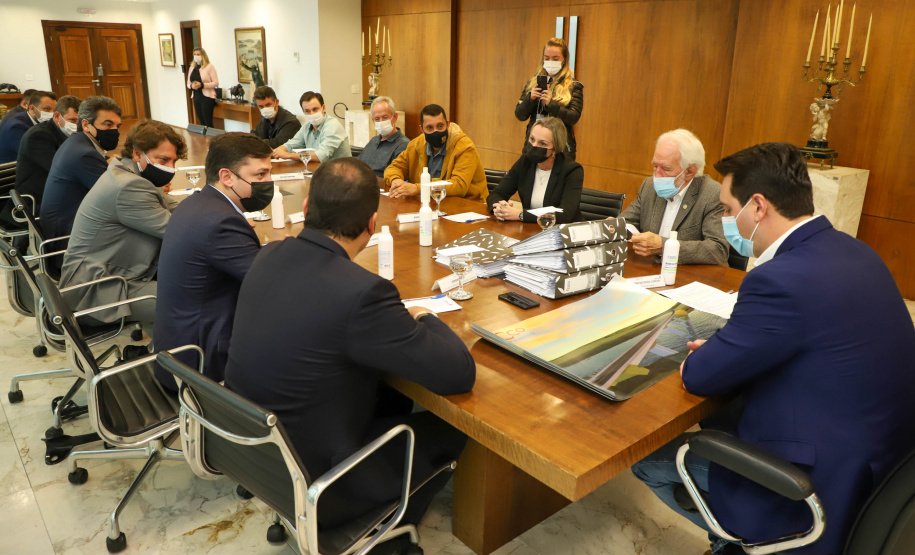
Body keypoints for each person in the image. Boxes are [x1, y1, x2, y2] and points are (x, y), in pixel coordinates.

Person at [631, 142, 915, 555]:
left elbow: (698, 376)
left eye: (728, 209)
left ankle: (736, 543)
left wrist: (712, 354)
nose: (727, 219)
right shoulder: (856, 252)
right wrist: (733, 347)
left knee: (649, 463)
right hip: (880, 466)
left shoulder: (779, 279)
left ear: (758, 207)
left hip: (813, 486)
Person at [225, 158, 475, 552]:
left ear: (306, 207)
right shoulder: (362, 292)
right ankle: (385, 536)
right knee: (456, 427)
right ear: (372, 224)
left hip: (252, 453)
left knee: (387, 391)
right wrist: (424, 315)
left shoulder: (267, 254)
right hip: (318, 482)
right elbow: (458, 373)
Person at [154, 133, 273, 391]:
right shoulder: (222, 222)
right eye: (261, 175)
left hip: (174, 351)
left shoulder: (196, 203)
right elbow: (269, 285)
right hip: (199, 366)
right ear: (227, 177)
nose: (269, 182)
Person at [59, 120, 185, 333]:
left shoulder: (125, 171)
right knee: (194, 300)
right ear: (137, 153)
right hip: (95, 292)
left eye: (174, 161)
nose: (170, 168)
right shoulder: (130, 186)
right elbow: (179, 233)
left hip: (111, 275)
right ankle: (169, 353)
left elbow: (170, 206)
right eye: (163, 159)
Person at [620, 129, 728, 265]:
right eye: (655, 166)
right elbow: (627, 221)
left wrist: (664, 246)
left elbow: (718, 250)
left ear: (689, 171)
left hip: (690, 274)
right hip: (650, 269)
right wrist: (614, 227)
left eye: (666, 168)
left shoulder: (712, 194)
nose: (657, 175)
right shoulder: (649, 186)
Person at [41, 95, 122, 242]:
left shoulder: (76, 141)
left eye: (117, 126)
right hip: (67, 238)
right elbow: (117, 196)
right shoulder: (84, 154)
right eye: (108, 125)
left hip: (65, 225)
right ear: (85, 125)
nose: (114, 131)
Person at [0, 95, 81, 236]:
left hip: (55, 196)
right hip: (35, 203)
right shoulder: (38, 136)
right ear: (57, 116)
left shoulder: (64, 133)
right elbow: (62, 170)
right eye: (73, 120)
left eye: (80, 121)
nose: (76, 125)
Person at [487, 116, 583, 223]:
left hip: (561, 230)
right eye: (532, 139)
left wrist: (521, 215)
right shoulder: (525, 162)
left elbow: (566, 214)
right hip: (531, 228)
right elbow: (496, 194)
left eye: (542, 143)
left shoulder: (572, 170)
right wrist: (500, 208)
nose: (533, 146)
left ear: (555, 149)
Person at [385, 104, 488, 202]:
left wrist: (417, 188)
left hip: (467, 205)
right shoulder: (416, 145)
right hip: (430, 203)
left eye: (440, 126)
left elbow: (459, 186)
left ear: (447, 124)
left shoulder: (465, 147)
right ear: (422, 129)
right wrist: (396, 180)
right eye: (430, 128)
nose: (436, 131)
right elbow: (394, 168)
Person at [514, 38, 583, 160]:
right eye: (547, 58)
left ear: (564, 60)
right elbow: (520, 115)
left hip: (560, 149)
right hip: (533, 146)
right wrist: (530, 99)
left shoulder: (573, 86)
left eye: (555, 59)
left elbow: (573, 117)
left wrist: (551, 104)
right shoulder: (533, 83)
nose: (550, 62)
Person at [271, 91, 351, 162]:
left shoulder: (333, 126)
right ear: (303, 112)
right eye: (307, 111)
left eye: (315, 109)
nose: (312, 114)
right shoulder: (306, 127)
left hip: (341, 172)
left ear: (323, 108)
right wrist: (276, 152)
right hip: (319, 169)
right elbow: (291, 144)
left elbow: (321, 156)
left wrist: (287, 155)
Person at [357, 95, 409, 178]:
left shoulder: (403, 145)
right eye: (377, 119)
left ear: (395, 117)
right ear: (373, 120)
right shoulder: (373, 141)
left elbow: (395, 177)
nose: (381, 122)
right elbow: (358, 165)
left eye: (385, 117)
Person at [0, 90, 58, 164]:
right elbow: (39, 155)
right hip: (11, 168)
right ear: (32, 108)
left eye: (54, 110)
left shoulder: (39, 121)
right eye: (47, 109)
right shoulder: (17, 127)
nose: (52, 113)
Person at [187, 47, 218, 127]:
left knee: (208, 121)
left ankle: (211, 135)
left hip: (207, 97)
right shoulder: (192, 68)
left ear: (203, 56)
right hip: (196, 96)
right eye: (194, 54)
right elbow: (188, 84)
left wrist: (202, 85)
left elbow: (216, 83)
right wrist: (191, 86)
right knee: (201, 121)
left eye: (198, 54)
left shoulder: (209, 67)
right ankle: (204, 135)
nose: (196, 56)